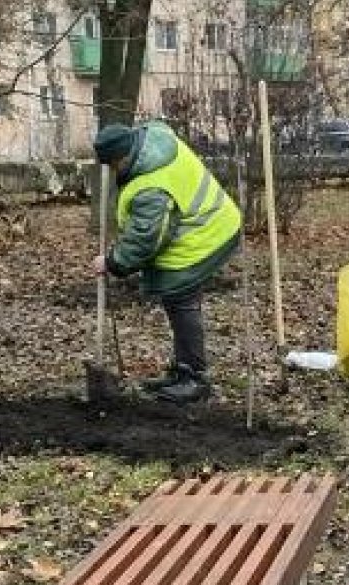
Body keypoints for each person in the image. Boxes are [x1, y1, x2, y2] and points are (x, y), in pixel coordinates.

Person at [91, 120, 242, 404]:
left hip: (208, 232)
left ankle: (194, 378)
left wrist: (112, 261)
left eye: (112, 166)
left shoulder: (151, 187)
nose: (112, 172)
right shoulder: (152, 139)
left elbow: (147, 239)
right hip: (201, 222)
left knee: (179, 294)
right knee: (175, 297)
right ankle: (181, 370)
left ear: (122, 157)